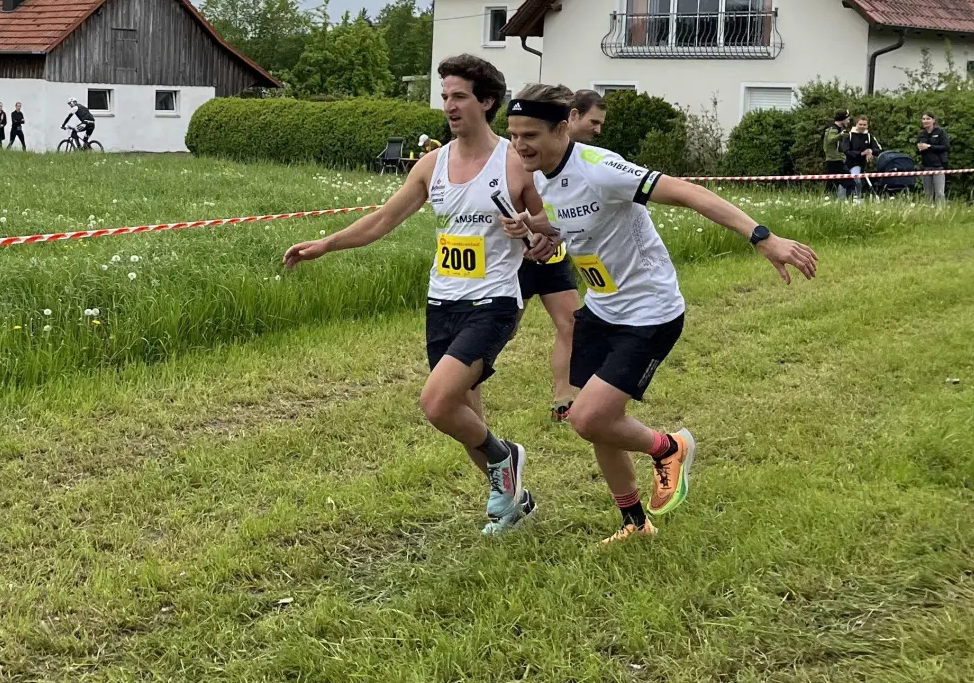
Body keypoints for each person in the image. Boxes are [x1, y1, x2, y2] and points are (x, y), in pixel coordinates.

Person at [504, 83, 816, 544]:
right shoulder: (544, 174)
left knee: (588, 418)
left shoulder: (602, 168)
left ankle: (670, 447)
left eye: (529, 134)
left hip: (649, 312)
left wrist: (763, 237)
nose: (519, 145)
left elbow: (691, 194)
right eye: (513, 135)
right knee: (600, 428)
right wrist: (540, 230)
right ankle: (636, 524)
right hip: (602, 309)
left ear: (562, 127)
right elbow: (578, 222)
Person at [284, 54, 560, 536]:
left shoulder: (514, 161)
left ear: (487, 101)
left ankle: (506, 458)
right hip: (442, 302)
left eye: (459, 96)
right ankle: (514, 501)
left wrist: (531, 230)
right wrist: (325, 244)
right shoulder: (433, 164)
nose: (449, 105)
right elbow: (382, 220)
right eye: (446, 96)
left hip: (493, 301)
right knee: (466, 412)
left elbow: (552, 228)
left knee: (437, 404)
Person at [520, 89, 607, 423]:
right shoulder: (531, 154)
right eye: (592, 122)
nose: (597, 130)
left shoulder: (587, 162)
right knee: (502, 331)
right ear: (570, 118)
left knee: (571, 325)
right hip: (521, 258)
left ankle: (563, 399)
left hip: (554, 258)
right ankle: (462, 386)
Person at [843, 115, 882, 201]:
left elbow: (878, 149)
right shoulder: (848, 135)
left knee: (862, 184)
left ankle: (858, 200)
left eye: (864, 125)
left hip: (864, 167)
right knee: (854, 183)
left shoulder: (869, 136)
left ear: (867, 126)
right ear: (856, 124)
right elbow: (846, 151)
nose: (862, 126)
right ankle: (850, 200)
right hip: (849, 165)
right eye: (860, 124)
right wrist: (862, 153)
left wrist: (870, 151)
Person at [915, 112, 949, 205]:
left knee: (939, 193)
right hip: (926, 167)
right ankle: (928, 214)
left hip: (939, 166)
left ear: (933, 120)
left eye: (928, 119)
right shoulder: (921, 134)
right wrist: (919, 148)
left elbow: (945, 147)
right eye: (924, 119)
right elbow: (917, 151)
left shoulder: (941, 132)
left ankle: (942, 214)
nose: (925, 121)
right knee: (927, 194)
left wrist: (929, 146)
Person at [823, 110, 850, 200]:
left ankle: (827, 203)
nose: (848, 121)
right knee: (850, 183)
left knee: (831, 185)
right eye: (847, 119)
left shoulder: (837, 129)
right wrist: (840, 135)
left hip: (834, 160)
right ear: (843, 119)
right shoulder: (833, 129)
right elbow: (830, 140)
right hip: (835, 160)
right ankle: (853, 202)